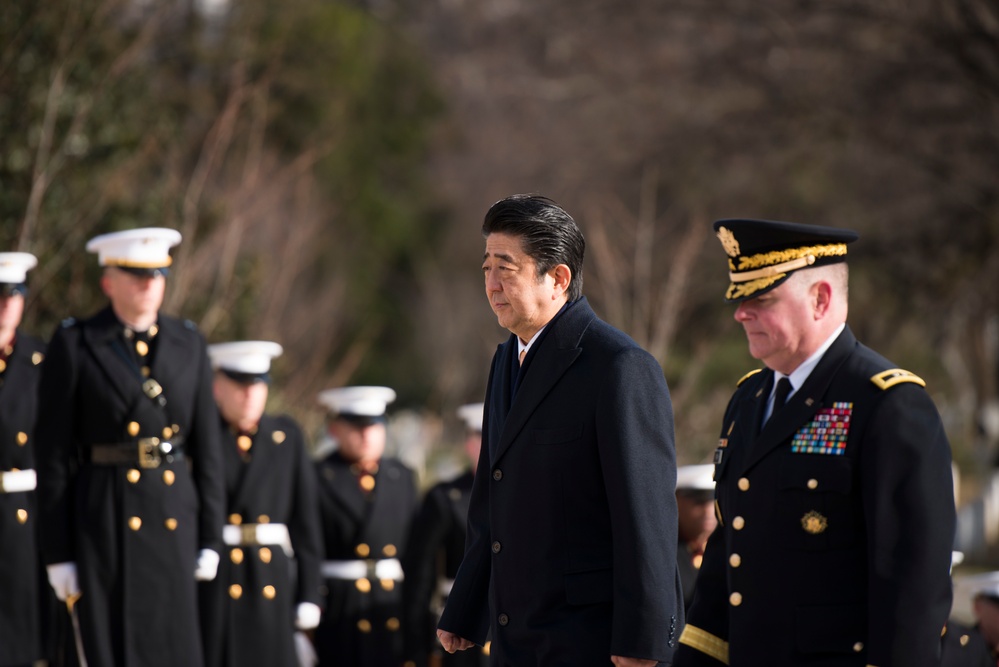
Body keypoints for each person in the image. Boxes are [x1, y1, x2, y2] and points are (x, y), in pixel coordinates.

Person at [675, 218, 956, 666]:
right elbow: (727, 560)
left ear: (821, 299)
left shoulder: (886, 404)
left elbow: (913, 587)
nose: (741, 312)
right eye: (739, 298)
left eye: (761, 299)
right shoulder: (749, 399)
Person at [436, 194, 682, 666]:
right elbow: (493, 495)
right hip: (517, 634)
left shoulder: (618, 366)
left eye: (506, 268)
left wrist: (643, 644)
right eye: (486, 268)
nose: (491, 285)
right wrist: (466, 608)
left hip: (590, 639)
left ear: (558, 278)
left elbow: (645, 519)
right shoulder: (506, 358)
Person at [35, 227, 225, 667]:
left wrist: (210, 538)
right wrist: (58, 551)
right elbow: (54, 455)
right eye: (136, 275)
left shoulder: (188, 343)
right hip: (105, 518)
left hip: (172, 514)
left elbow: (208, 451)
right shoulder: (77, 343)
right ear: (108, 282)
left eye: (156, 275)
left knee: (171, 646)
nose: (148, 284)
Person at [199, 340, 324, 667]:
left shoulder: (286, 437)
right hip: (217, 576)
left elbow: (306, 523)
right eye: (239, 384)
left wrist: (310, 594)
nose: (250, 394)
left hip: (271, 578)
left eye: (258, 385)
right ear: (217, 387)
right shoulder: (202, 435)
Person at [313, 385, 418, 666]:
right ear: (335, 429)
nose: (366, 435)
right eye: (355, 426)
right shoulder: (318, 476)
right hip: (338, 603)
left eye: (374, 426)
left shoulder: (402, 476)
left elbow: (416, 551)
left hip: (389, 602)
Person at [402, 402, 490, 667]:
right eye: (482, 437)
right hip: (460, 626)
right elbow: (420, 575)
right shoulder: (445, 497)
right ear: (469, 444)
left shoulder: (528, 492)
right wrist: (417, 644)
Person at [0, 252, 47, 667]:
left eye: (14, 296)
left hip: (23, 515)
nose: (5, 306)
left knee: (20, 638)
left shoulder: (41, 361)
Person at [675, 464, 717, 614]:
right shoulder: (669, 553)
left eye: (712, 502)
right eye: (698, 503)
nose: (707, 511)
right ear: (677, 502)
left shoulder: (724, 549)